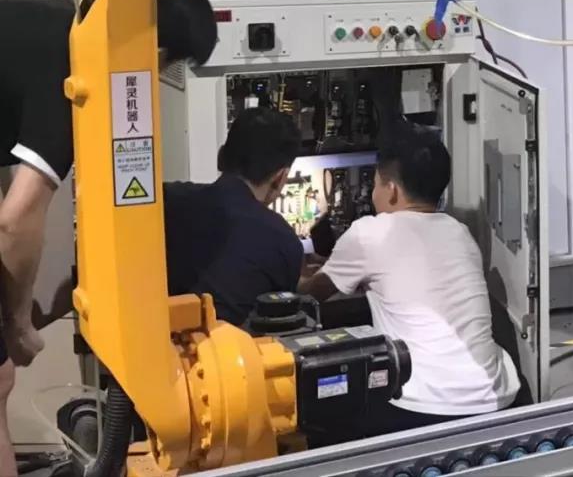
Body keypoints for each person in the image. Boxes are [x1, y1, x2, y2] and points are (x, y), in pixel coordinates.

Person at [0, 0, 216, 476]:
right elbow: (16, 221)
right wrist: (17, 324)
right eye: (167, 66)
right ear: (154, 50)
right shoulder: (80, 69)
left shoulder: (55, 26)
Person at [300, 122, 520, 437]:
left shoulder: (369, 232)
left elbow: (309, 297)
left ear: (391, 190)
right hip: (496, 401)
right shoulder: (460, 233)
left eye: (376, 183)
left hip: (421, 408)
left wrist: (289, 268)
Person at [164, 108, 304, 326]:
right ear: (280, 178)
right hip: (232, 347)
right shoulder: (284, 241)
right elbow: (280, 318)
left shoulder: (167, 200)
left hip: (154, 340)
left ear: (221, 156)